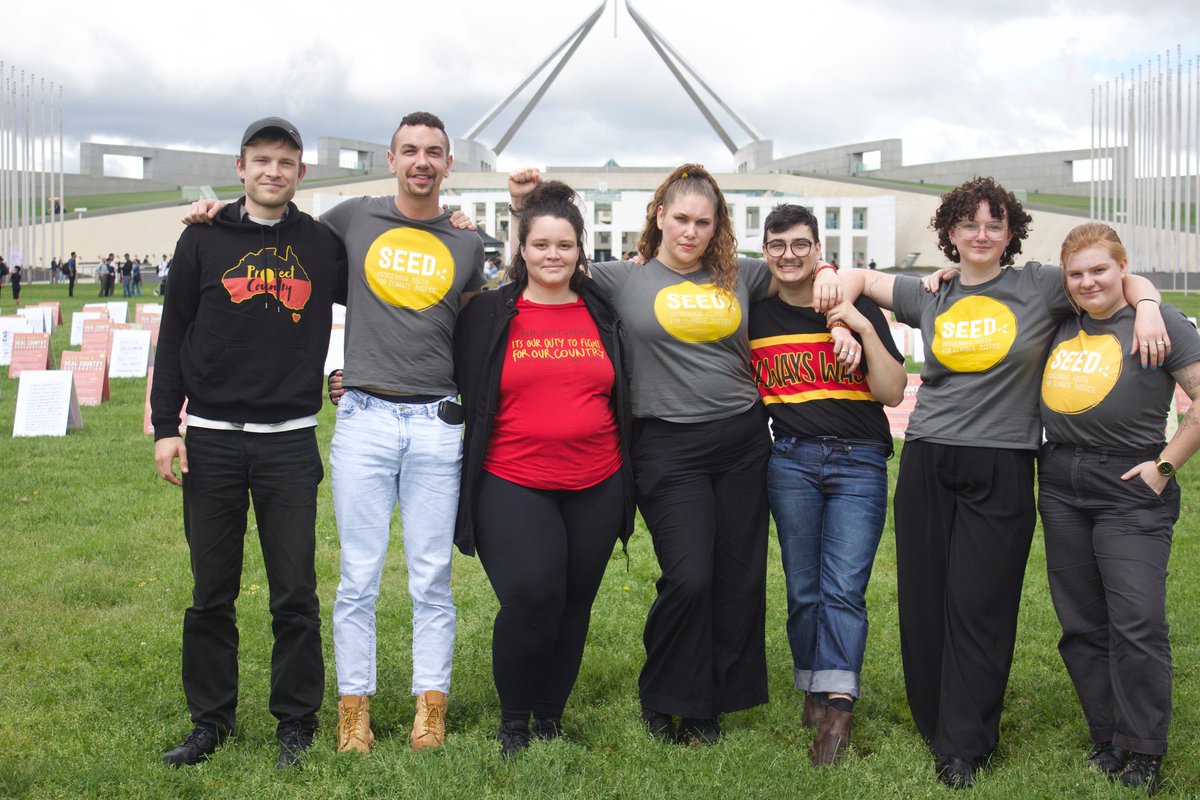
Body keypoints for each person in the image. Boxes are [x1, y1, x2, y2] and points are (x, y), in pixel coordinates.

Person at [831, 177, 1167, 789]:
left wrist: (1146, 305)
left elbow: (1123, 277)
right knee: (925, 597)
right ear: (950, 233)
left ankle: (967, 742)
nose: (981, 235)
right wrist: (843, 319)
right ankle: (934, 720)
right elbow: (856, 280)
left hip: (1004, 461)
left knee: (981, 602)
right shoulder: (932, 291)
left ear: (1010, 234)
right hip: (929, 455)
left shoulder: (1037, 285)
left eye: (994, 225)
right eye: (969, 225)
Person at [509, 164, 826, 746]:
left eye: (703, 222)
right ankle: (664, 692)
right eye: (680, 218)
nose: (691, 231)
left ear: (717, 227)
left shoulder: (742, 276)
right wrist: (522, 203)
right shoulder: (619, 280)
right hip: (665, 446)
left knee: (737, 579)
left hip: (741, 442)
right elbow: (544, 259)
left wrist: (830, 274)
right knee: (690, 576)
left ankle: (708, 705)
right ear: (659, 216)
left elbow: (800, 270)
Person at [151, 116, 347, 769]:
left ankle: (296, 722)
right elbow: (174, 331)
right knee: (212, 591)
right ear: (241, 168)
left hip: (288, 442)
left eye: (285, 162)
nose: (273, 171)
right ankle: (210, 721)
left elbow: (385, 304)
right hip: (209, 438)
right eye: (261, 161)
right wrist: (163, 428)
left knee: (295, 591)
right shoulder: (204, 239)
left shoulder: (322, 245)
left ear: (300, 173)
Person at [454, 180, 634, 756]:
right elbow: (441, 371)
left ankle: (550, 715)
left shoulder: (604, 313)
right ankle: (514, 722)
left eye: (564, 245)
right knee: (532, 596)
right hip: (512, 479)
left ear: (581, 250)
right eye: (540, 245)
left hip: (597, 481)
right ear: (521, 249)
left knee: (574, 603)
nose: (552, 255)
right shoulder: (489, 314)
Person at [1039, 223, 1200, 795]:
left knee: (1136, 622)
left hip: (1131, 481)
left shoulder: (1159, 322)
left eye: (1099, 270)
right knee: (1082, 622)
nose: (1087, 282)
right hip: (1059, 480)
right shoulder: (1062, 317)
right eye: (1076, 273)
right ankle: (1108, 737)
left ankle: (1144, 749)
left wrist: (1165, 466)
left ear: (1123, 269)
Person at [749, 204, 906, 767]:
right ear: (764, 250)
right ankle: (814, 686)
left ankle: (839, 703)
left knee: (843, 586)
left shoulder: (855, 305)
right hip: (789, 460)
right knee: (802, 588)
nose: (789, 255)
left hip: (859, 462)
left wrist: (859, 327)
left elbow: (891, 392)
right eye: (777, 245)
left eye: (800, 244)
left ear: (819, 249)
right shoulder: (756, 312)